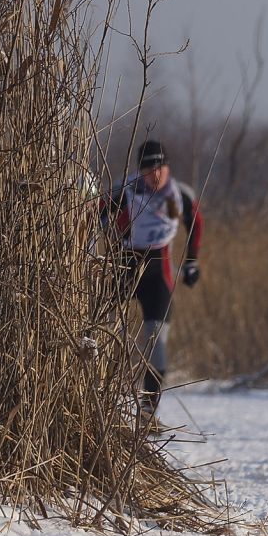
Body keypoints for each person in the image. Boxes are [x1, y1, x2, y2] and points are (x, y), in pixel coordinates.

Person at [103, 139, 203, 419]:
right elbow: (95, 213)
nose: (155, 174)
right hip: (125, 267)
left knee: (156, 340)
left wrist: (192, 262)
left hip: (160, 272)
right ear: (140, 170)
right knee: (104, 332)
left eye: (160, 167)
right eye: (148, 169)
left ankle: (147, 411)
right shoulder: (125, 190)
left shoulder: (179, 193)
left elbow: (196, 224)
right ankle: (100, 401)